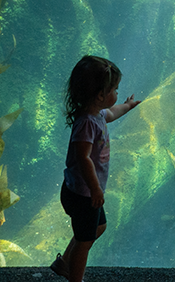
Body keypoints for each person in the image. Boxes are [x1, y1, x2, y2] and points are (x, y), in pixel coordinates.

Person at [50, 55, 141, 282]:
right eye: (115, 90)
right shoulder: (87, 123)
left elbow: (111, 113)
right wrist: (95, 189)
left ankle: (64, 263)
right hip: (83, 194)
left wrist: (128, 106)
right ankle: (75, 278)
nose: (117, 94)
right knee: (85, 242)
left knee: (98, 227)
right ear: (101, 95)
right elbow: (83, 158)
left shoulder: (97, 114)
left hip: (86, 192)